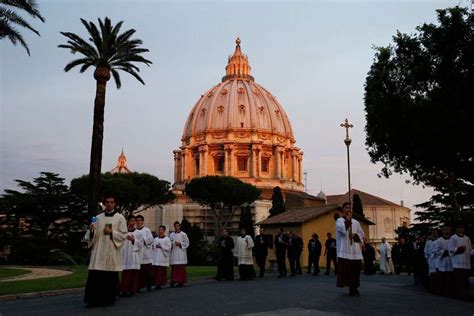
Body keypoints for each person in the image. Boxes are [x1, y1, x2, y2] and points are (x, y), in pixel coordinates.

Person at [83, 196, 127, 307]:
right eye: (107, 202)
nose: (109, 204)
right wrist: (92, 230)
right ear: (104, 203)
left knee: (108, 277)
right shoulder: (97, 218)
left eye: (111, 202)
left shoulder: (120, 218)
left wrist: (112, 232)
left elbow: (123, 235)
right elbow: (90, 236)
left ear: (115, 204)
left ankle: (107, 299)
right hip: (98, 251)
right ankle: (92, 300)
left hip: (110, 250)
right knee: (95, 277)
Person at [336, 202, 365, 296]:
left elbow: (361, 235)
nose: (348, 209)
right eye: (346, 208)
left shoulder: (356, 222)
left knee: (355, 270)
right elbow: (342, 230)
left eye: (350, 208)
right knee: (347, 270)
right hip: (345, 249)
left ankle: (354, 287)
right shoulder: (339, 221)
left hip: (355, 250)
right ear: (343, 209)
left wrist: (355, 236)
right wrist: (348, 221)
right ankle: (350, 287)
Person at [120, 215, 144, 297]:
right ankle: (124, 290)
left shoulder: (138, 233)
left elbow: (141, 244)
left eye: (134, 220)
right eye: (131, 220)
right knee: (126, 273)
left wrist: (134, 240)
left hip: (134, 255)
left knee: (133, 273)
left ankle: (132, 289)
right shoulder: (124, 232)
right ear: (128, 221)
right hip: (125, 255)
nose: (133, 222)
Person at [448, 224, 472, 300]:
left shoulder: (467, 238)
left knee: (465, 280)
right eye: (459, 228)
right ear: (456, 229)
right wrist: (459, 249)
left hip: (466, 262)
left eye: (462, 228)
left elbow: (469, 250)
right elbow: (450, 249)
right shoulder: (453, 238)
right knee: (459, 280)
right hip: (457, 262)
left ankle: (467, 295)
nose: (460, 229)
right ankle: (459, 295)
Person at [136, 215, 154, 291]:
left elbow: (151, 239)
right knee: (138, 272)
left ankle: (148, 285)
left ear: (143, 221)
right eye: (137, 220)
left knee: (147, 271)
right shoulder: (134, 231)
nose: (138, 222)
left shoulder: (147, 230)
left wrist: (143, 240)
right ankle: (138, 286)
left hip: (146, 252)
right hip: (137, 252)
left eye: (140, 220)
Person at [434, 225, 453, 296]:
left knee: (450, 278)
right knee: (442, 278)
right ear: (442, 231)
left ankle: (450, 291)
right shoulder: (439, 241)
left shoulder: (453, 239)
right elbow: (437, 251)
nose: (446, 231)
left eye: (447, 229)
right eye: (444, 229)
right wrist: (446, 252)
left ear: (450, 230)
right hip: (442, 262)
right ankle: (442, 292)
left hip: (451, 262)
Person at [169, 221, 190, 287]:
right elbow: (169, 243)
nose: (176, 227)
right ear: (174, 227)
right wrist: (171, 245)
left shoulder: (183, 234)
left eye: (177, 226)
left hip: (181, 253)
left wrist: (180, 244)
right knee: (174, 268)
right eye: (175, 226)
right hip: (174, 253)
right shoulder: (171, 235)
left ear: (179, 226)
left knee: (181, 268)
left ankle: (181, 282)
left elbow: (187, 243)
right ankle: (173, 281)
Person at [152, 225, 171, 290]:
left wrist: (161, 246)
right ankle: (156, 284)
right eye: (159, 230)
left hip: (163, 258)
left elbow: (169, 248)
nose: (160, 231)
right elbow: (153, 248)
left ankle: (160, 284)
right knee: (156, 272)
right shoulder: (155, 239)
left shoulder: (167, 239)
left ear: (164, 231)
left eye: (161, 230)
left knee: (161, 272)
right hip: (156, 257)